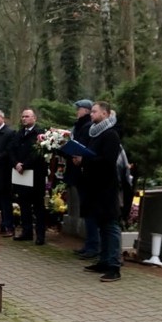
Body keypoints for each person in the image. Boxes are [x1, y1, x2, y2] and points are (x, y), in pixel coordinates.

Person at [75, 101, 123, 282]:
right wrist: (80, 158)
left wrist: (85, 159)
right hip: (93, 187)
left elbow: (107, 161)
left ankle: (114, 266)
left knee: (110, 226)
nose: (91, 115)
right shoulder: (94, 133)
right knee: (102, 225)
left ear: (105, 114)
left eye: (94, 112)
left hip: (106, 189)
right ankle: (103, 260)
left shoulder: (111, 134)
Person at [66, 99, 99, 258]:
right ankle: (89, 243)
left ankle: (93, 245)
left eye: (79, 109)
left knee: (90, 211)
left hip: (84, 173)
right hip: (78, 171)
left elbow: (85, 147)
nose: (77, 111)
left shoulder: (87, 127)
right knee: (86, 211)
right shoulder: (79, 125)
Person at [10, 109, 47, 245]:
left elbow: (38, 152)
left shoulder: (40, 134)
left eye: (27, 116)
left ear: (34, 118)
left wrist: (24, 164)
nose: (24, 119)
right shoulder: (19, 133)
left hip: (35, 174)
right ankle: (27, 232)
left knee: (38, 205)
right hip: (20, 174)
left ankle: (40, 235)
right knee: (23, 204)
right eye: (22, 116)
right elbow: (11, 149)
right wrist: (16, 163)